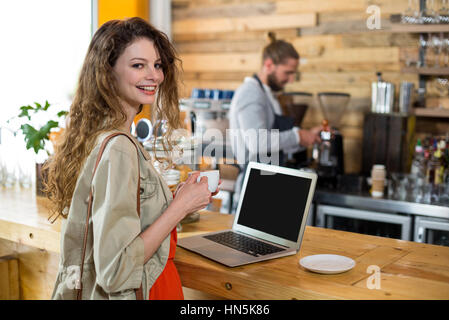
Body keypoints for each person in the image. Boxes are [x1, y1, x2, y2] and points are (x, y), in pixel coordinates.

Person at [44, 17, 216, 300]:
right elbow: (117, 271)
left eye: (157, 65)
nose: (155, 76)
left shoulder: (96, 135)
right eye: (138, 65)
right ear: (107, 72)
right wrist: (181, 208)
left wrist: (178, 199)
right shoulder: (119, 148)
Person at [229, 33, 321, 211]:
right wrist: (297, 136)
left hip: (269, 182)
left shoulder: (267, 95)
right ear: (269, 64)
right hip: (253, 187)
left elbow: (277, 144)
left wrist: (307, 137)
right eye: (288, 73)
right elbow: (257, 142)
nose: (291, 80)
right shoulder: (251, 93)